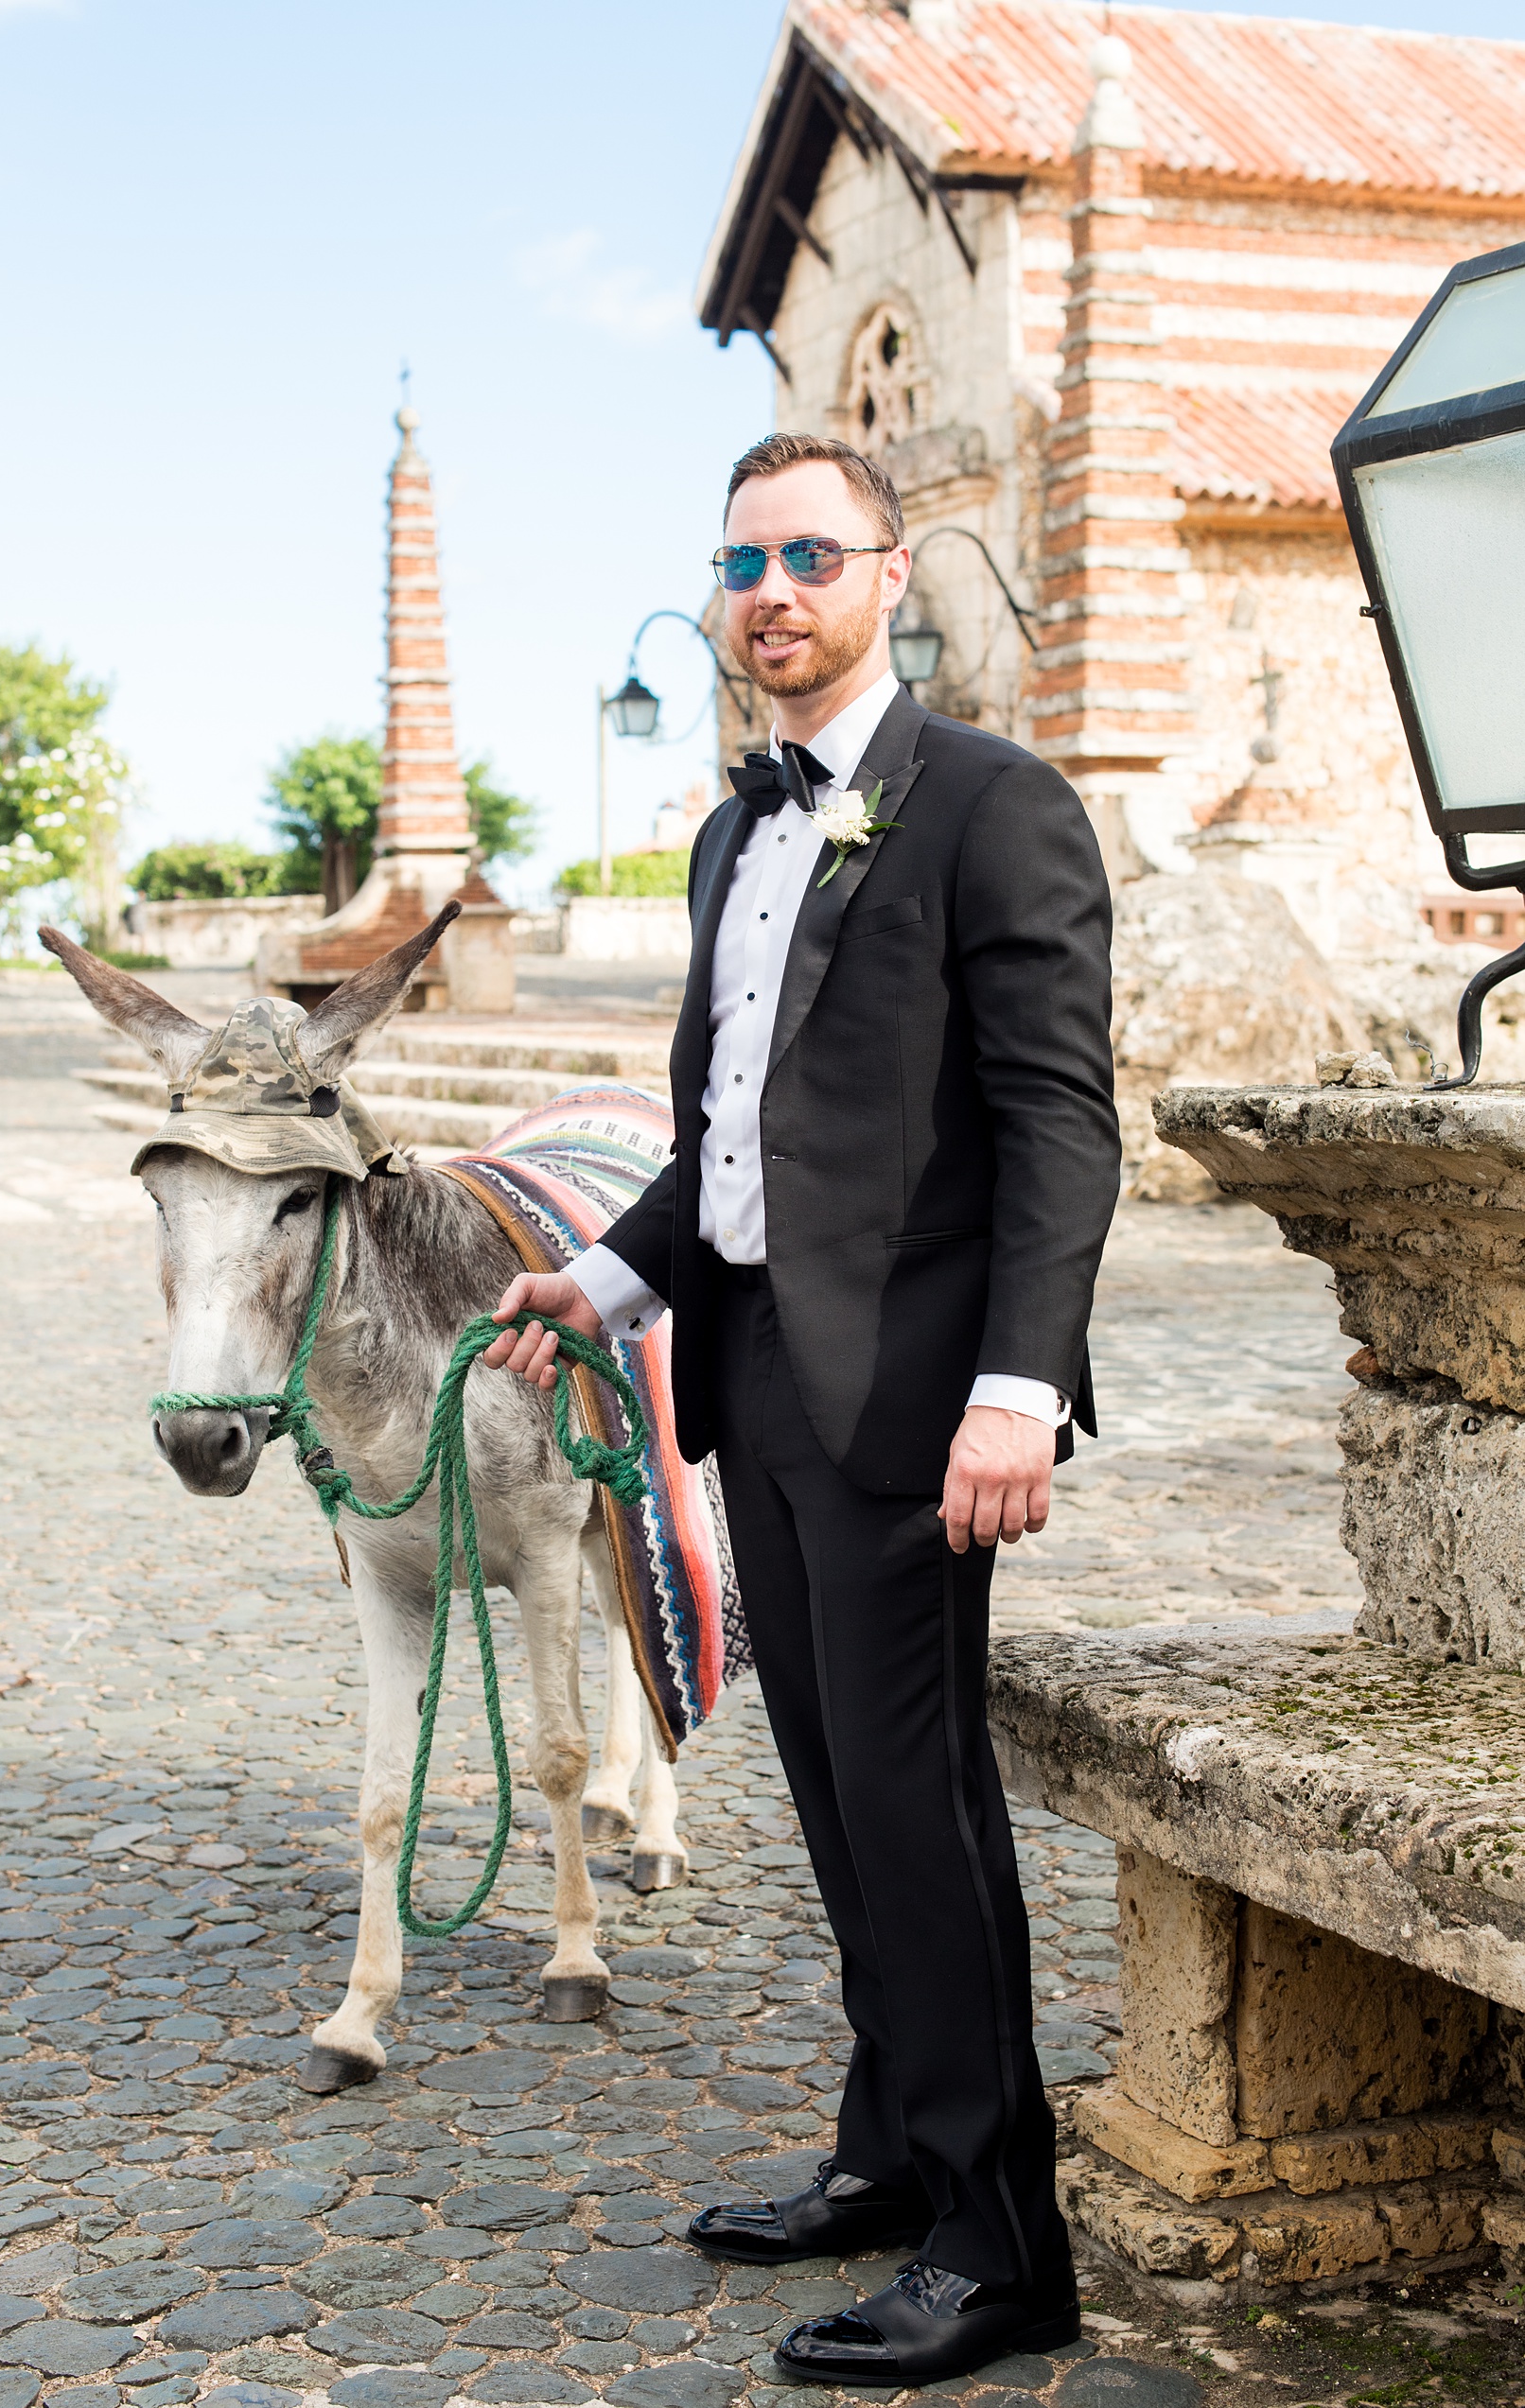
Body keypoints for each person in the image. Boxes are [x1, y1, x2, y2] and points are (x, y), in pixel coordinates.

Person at [485, 431, 1119, 2385]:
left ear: (891, 572)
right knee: (842, 1807)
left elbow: (1057, 1125)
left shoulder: (990, 806)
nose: (771, 588)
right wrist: (593, 1277)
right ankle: (886, 2150)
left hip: (922, 1408)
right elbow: (723, 1142)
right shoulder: (727, 830)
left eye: (811, 555)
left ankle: (998, 2238)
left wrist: (1017, 1388)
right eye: (742, 558)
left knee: (922, 1818)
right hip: (751, 1381)